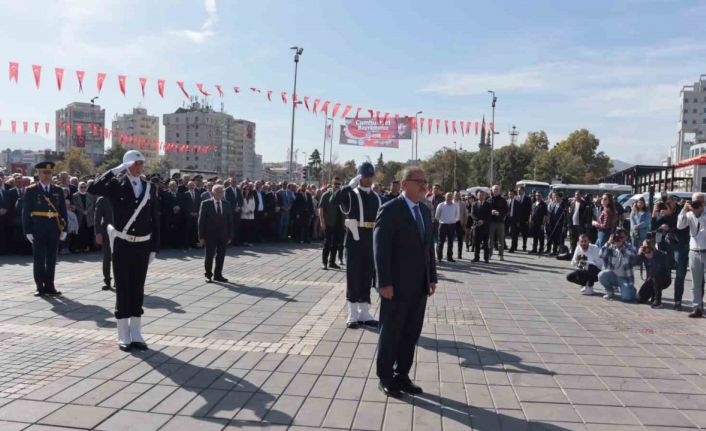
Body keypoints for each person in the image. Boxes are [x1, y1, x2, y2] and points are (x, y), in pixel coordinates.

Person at [374, 166, 437, 398]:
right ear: (404, 184)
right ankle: (385, 377)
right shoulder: (390, 209)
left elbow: (428, 247)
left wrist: (432, 277)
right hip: (396, 286)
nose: (424, 185)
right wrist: (384, 282)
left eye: (425, 180)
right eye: (419, 180)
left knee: (411, 333)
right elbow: (381, 250)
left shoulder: (425, 210)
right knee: (391, 332)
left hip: (419, 285)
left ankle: (402, 375)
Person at [88, 150, 160, 351]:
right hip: (122, 243)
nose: (139, 167)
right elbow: (93, 188)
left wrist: (155, 247)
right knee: (123, 287)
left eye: (141, 163)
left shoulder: (149, 187)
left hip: (142, 244)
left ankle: (136, 333)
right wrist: (115, 170)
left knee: (138, 287)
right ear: (127, 165)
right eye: (136, 163)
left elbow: (155, 218)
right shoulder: (115, 184)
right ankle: (123, 334)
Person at [331, 162, 382, 328]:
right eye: (364, 176)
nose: (367, 179)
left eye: (370, 176)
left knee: (367, 276)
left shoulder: (376, 198)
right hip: (354, 239)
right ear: (359, 177)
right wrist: (347, 187)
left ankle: (364, 312)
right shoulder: (351, 194)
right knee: (353, 276)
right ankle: (352, 314)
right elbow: (334, 200)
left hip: (370, 240)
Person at [22, 161, 68, 297]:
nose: (47, 175)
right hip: (38, 228)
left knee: (52, 258)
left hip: (53, 228)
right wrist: (27, 230)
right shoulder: (31, 190)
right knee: (39, 258)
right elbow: (26, 212)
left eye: (49, 173)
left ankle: (50, 285)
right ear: (38, 174)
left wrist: (64, 229)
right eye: (44, 172)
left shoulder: (58, 190)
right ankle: (39, 286)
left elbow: (62, 211)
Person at [677, 195, 706, 317]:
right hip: (694, 251)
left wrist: (698, 214)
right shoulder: (689, 214)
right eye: (694, 201)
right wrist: (684, 210)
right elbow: (680, 225)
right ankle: (697, 307)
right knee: (696, 282)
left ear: (704, 202)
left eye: (699, 201)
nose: (696, 204)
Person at [198, 185, 233, 283]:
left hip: (223, 234)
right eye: (217, 192)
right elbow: (201, 221)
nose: (219, 194)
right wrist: (201, 236)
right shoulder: (206, 204)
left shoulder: (227, 204)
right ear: (213, 192)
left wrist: (230, 235)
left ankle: (218, 275)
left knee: (221, 255)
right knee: (209, 255)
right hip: (210, 235)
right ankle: (208, 274)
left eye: (221, 192)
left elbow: (230, 221)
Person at [598, 228, 637, 302]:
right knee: (601, 275)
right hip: (613, 275)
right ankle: (610, 291)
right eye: (618, 236)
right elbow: (601, 255)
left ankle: (631, 289)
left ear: (626, 237)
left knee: (627, 298)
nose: (620, 239)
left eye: (622, 237)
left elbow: (630, 258)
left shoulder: (631, 247)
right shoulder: (611, 246)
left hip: (625, 278)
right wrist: (608, 243)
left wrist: (621, 247)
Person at [635, 240, 671, 308]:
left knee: (655, 276)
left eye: (648, 248)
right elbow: (635, 263)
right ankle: (653, 294)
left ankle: (658, 300)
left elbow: (663, 272)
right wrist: (639, 254)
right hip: (650, 281)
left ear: (653, 247)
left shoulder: (662, 255)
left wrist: (653, 258)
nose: (646, 250)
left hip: (664, 280)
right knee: (640, 299)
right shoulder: (644, 254)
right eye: (644, 248)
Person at [319, 178, 344, 269]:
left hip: (339, 223)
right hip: (328, 222)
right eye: (335, 184)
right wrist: (322, 222)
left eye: (338, 184)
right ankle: (324, 262)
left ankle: (332, 262)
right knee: (327, 243)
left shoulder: (341, 195)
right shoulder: (326, 195)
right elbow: (321, 209)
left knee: (336, 244)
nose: (337, 186)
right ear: (332, 184)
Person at [94, 196, 114, 290]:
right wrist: (98, 233)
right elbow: (97, 218)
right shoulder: (102, 199)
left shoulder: (122, 194)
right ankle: (107, 280)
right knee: (107, 257)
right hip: (107, 232)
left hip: (122, 232)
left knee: (121, 258)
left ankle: (119, 280)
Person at [70, 181, 95, 252]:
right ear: (78, 187)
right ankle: (79, 247)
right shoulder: (75, 195)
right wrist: (82, 211)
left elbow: (92, 204)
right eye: (81, 187)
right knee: (80, 232)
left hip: (88, 216)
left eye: (85, 187)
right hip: (79, 216)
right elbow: (75, 205)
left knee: (88, 232)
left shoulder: (90, 195)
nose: (83, 188)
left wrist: (87, 211)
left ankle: (87, 247)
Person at [435, 192, 459, 262]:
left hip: (452, 225)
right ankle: (439, 257)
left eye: (450, 196)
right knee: (441, 242)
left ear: (452, 197)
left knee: (451, 242)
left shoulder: (455, 205)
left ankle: (449, 257)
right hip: (443, 225)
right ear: (445, 197)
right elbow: (437, 216)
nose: (449, 198)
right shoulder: (441, 205)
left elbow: (457, 215)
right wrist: (443, 220)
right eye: (448, 196)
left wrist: (452, 220)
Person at [508, 186, 532, 252]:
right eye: (518, 190)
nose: (518, 191)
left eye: (520, 190)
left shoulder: (527, 198)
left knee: (524, 234)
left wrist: (527, 219)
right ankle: (515, 246)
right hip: (516, 219)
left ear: (523, 190)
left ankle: (524, 246)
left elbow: (529, 210)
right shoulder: (516, 198)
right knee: (515, 234)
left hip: (524, 219)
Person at [488, 185, 508, 260]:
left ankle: (501, 255)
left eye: (497, 189)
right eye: (494, 189)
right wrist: (491, 211)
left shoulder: (503, 200)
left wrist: (499, 213)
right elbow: (486, 210)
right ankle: (489, 254)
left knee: (501, 239)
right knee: (490, 239)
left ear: (499, 191)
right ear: (492, 191)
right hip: (491, 222)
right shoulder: (489, 200)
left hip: (500, 222)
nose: (496, 191)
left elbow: (506, 211)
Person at [471, 189, 492, 262]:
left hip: (485, 226)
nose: (481, 196)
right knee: (477, 243)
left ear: (485, 196)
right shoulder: (474, 204)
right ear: (477, 196)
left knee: (486, 244)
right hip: (477, 226)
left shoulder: (488, 205)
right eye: (479, 195)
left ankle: (486, 258)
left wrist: (483, 221)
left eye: (482, 195)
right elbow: (472, 214)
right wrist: (477, 221)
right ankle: (476, 257)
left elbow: (489, 215)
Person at [454, 192, 468, 260]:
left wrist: (465, 224)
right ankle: (449, 254)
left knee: (460, 239)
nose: (457, 196)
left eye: (458, 195)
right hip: (451, 223)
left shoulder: (462, 204)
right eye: (455, 195)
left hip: (460, 223)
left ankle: (459, 254)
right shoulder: (451, 202)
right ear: (453, 195)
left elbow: (465, 214)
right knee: (450, 239)